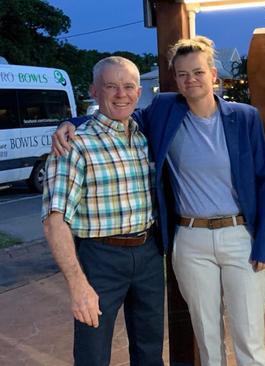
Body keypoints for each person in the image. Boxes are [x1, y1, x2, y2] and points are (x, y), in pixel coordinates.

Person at [53, 36, 265, 366]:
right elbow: (117, 115)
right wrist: (71, 123)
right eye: (182, 74)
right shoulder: (165, 110)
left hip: (239, 236)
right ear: (175, 79)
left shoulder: (244, 117)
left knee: (249, 336)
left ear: (213, 74)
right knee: (206, 335)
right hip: (190, 240)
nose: (190, 80)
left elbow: (262, 181)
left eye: (198, 72)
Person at [42, 56, 164, 366]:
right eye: (111, 86)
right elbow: (55, 220)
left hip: (148, 253)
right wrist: (77, 285)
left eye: (128, 87)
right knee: (92, 354)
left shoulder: (143, 136)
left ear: (139, 92)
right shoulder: (73, 145)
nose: (121, 94)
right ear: (94, 91)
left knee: (150, 350)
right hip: (100, 259)